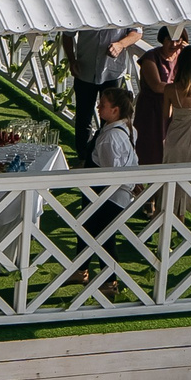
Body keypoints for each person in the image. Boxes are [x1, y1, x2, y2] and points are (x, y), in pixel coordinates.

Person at [78, 86, 142, 283]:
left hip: (107, 195)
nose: (98, 107)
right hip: (118, 193)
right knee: (87, 228)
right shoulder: (128, 128)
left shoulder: (108, 138)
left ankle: (109, 280)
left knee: (103, 237)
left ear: (115, 110)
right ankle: (81, 270)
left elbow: (109, 173)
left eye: (103, 105)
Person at [63, 24, 143, 163]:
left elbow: (137, 32)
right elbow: (67, 34)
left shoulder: (124, 6)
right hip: (85, 69)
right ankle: (84, 158)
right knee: (83, 118)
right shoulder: (83, 6)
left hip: (112, 72)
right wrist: (71, 60)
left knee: (110, 118)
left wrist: (120, 44)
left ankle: (102, 158)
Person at [134, 27, 186, 163]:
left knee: (170, 147)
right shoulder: (150, 58)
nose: (173, 45)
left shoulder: (183, 56)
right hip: (152, 109)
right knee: (148, 147)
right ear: (162, 39)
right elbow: (156, 86)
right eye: (169, 40)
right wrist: (184, 87)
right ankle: (139, 180)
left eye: (177, 40)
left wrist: (190, 53)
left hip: (174, 108)